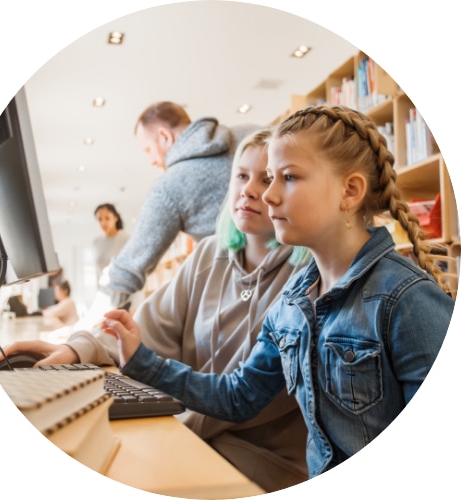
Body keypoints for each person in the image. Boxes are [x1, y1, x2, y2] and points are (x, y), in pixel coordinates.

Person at [99, 106, 455, 480]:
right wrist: (140, 359)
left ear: (350, 191)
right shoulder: (292, 301)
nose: (267, 196)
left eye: (287, 177)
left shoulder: (407, 300)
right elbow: (238, 397)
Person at [0, 129, 311, 492]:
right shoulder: (208, 255)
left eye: (267, 178)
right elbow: (142, 329)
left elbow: (250, 398)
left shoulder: (307, 276)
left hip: (263, 456)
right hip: (194, 430)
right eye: (241, 175)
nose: (250, 189)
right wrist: (76, 349)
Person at [104, 101, 259, 308]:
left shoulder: (168, 187)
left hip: (246, 299)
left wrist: (104, 328)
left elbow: (127, 270)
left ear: (165, 137)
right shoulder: (252, 135)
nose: (151, 160)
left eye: (148, 149)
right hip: (302, 276)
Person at [92, 203, 129, 283]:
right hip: (105, 292)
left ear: (116, 217)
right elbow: (98, 273)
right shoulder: (96, 242)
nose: (103, 223)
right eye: (100, 219)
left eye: (107, 218)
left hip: (125, 291)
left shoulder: (127, 239)